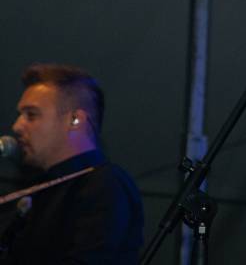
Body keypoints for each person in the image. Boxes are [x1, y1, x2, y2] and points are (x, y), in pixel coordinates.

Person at [0, 63, 144, 264]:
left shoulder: (105, 185)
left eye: (31, 115)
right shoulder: (38, 186)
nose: (17, 126)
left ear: (75, 120)